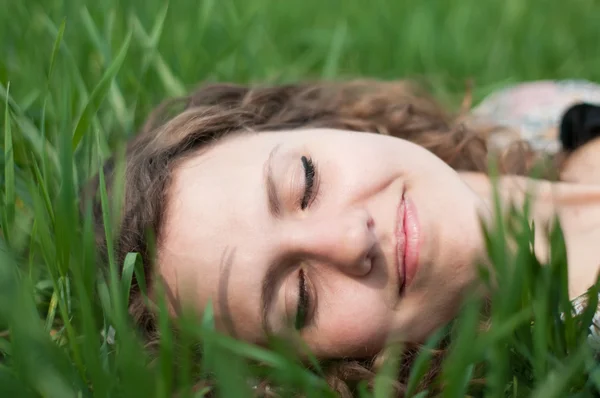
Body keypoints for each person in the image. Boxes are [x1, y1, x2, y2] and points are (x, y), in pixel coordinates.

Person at [90, 78, 600, 395]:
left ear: (328, 124)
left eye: (306, 182)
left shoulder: (521, 112)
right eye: (301, 300)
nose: (351, 239)